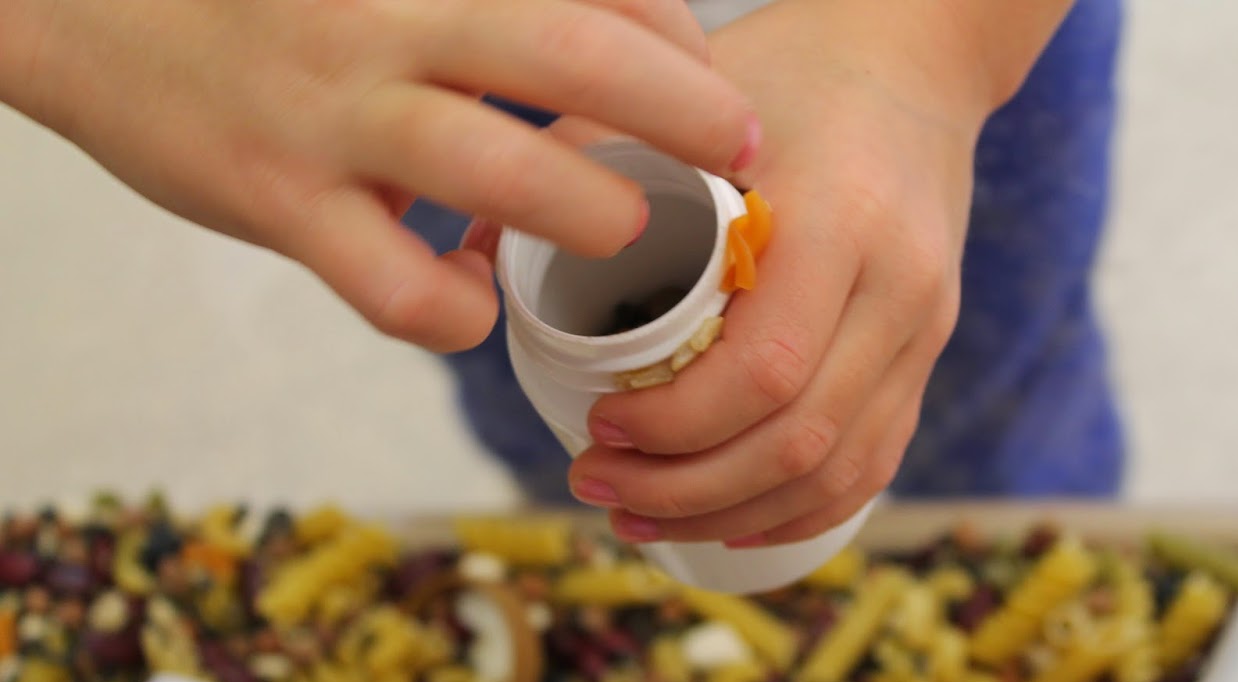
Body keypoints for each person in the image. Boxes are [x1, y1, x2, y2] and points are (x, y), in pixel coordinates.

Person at [2, 0, 1123, 546]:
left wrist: (938, 50)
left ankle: (1028, 524)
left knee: (977, 379)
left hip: (934, 42)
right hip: (412, 50)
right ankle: (611, 540)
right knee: (552, 370)